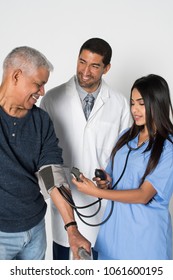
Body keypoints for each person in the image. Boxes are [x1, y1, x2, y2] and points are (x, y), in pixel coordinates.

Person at [40, 37, 131, 259]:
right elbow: (43, 158)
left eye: (94, 65)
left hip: (102, 205)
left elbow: (124, 156)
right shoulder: (52, 99)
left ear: (106, 68)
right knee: (63, 265)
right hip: (64, 205)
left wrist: (110, 179)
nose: (85, 71)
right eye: (82, 62)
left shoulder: (119, 104)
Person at [0, 46, 90, 260]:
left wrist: (72, 228)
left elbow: (52, 175)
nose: (42, 92)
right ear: (16, 76)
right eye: (38, 84)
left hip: (35, 230)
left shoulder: (40, 120)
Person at [73, 74, 173, 260]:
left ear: (157, 104)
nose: (134, 109)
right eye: (132, 102)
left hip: (145, 240)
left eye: (141, 104)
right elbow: (113, 175)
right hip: (114, 235)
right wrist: (105, 182)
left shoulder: (168, 148)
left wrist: (96, 192)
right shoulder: (126, 136)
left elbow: (144, 195)